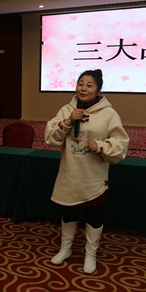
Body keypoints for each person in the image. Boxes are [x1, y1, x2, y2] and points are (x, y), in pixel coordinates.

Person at [44, 69, 129, 274]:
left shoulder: (109, 113)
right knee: (69, 212)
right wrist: (68, 121)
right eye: (80, 83)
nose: (83, 88)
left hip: (93, 176)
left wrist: (100, 146)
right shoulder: (67, 109)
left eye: (89, 85)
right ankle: (65, 249)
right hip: (70, 173)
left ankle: (90, 255)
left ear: (98, 90)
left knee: (93, 215)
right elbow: (50, 138)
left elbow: (121, 144)